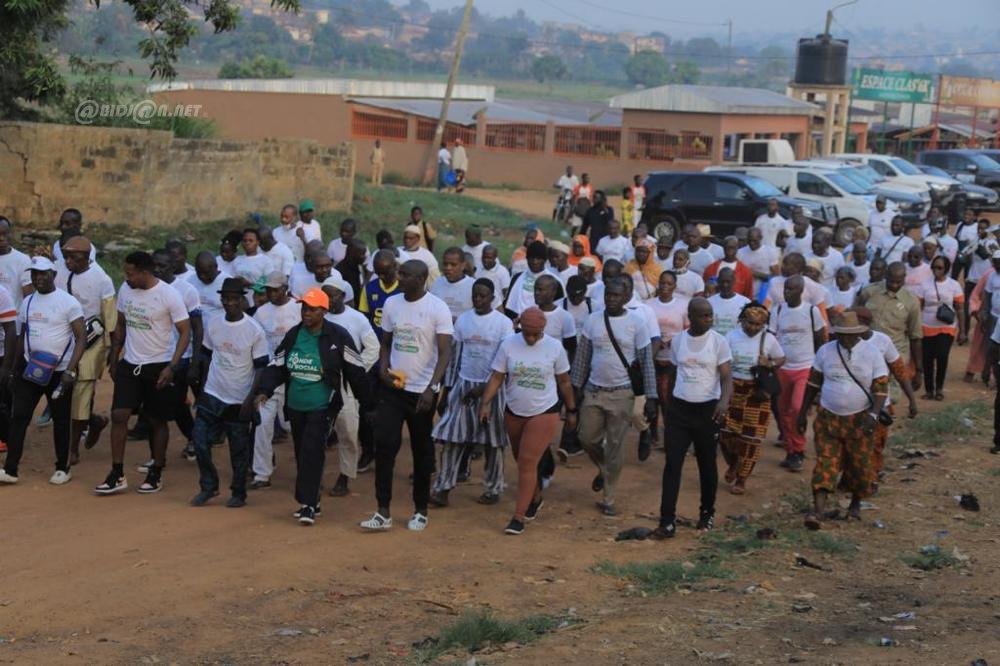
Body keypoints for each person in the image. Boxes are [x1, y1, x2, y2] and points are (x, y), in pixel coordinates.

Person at [254, 288, 374, 525]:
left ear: (324, 311)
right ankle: (313, 501)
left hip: (323, 405)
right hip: (296, 404)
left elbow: (355, 369)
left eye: (312, 309)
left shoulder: (338, 336)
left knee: (312, 450)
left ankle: (307, 505)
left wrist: (368, 404)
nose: (306, 313)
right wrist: (265, 390)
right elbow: (277, 364)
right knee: (301, 451)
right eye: (304, 308)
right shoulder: (293, 335)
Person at [360, 260, 453, 532]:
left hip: (422, 393)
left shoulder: (437, 308)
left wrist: (431, 388)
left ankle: (420, 509)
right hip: (394, 389)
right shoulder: (392, 304)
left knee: (421, 450)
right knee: (385, 445)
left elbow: (445, 353)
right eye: (400, 273)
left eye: (405, 274)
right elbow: (385, 343)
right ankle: (383, 511)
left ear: (422, 278)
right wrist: (382, 369)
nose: (399, 277)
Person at [94, 251, 191, 495]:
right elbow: (122, 323)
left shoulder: (169, 295)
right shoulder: (126, 290)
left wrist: (172, 366)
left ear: (145, 272)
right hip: (130, 363)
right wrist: (115, 356)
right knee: (119, 415)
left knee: (156, 420)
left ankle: (156, 471)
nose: (126, 278)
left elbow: (185, 331)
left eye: (130, 273)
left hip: (159, 365)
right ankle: (117, 473)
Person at [477, 307, 576, 535]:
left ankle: (518, 517)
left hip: (545, 410)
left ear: (543, 330)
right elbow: (498, 376)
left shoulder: (554, 347)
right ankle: (535, 498)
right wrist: (485, 403)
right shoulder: (509, 344)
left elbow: (564, 382)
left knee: (527, 461)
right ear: (520, 327)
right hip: (514, 410)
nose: (531, 339)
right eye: (527, 333)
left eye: (536, 334)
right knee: (520, 460)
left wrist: (571, 409)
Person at [571, 278, 658, 516]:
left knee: (616, 446)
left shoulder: (637, 323)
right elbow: (582, 357)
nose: (611, 299)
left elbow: (646, 361)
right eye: (608, 295)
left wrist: (651, 396)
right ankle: (603, 467)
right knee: (586, 437)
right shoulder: (592, 320)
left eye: (616, 295)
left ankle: (609, 498)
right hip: (594, 390)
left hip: (622, 392)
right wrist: (575, 387)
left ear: (626, 297)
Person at [796, 311, 888, 529]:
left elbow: (881, 388)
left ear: (858, 334)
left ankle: (855, 505)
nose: (845, 339)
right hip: (828, 417)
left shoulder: (872, 353)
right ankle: (817, 512)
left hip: (860, 419)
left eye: (849, 335)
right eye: (841, 334)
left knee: (859, 464)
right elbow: (813, 383)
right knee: (825, 462)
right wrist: (802, 412)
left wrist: (874, 414)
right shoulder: (825, 351)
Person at [650, 297, 733, 538]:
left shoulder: (719, 342)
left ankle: (707, 514)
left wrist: (723, 402)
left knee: (706, 465)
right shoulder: (679, 341)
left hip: (707, 411)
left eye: (710, 315)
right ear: (691, 317)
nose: (709, 319)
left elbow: (726, 377)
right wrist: (670, 406)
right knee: (672, 465)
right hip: (680, 412)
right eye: (704, 315)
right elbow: (675, 373)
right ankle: (666, 521)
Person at [0, 257, 86, 486]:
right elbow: (22, 335)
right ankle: (10, 469)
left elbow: (81, 338)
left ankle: (62, 467)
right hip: (30, 368)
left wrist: (70, 370)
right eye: (35, 274)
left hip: (59, 371)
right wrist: (14, 368)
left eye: (43, 273)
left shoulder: (68, 303)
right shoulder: (27, 302)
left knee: (60, 419)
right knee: (19, 417)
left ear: (53, 275)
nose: (38, 277)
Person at [430, 279, 513, 507]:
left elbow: (504, 362)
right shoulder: (464, 321)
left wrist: (484, 388)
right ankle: (443, 486)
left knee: (493, 442)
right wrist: (447, 390)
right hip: (464, 386)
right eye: (475, 295)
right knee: (451, 437)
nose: (478, 299)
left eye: (483, 296)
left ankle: (493, 488)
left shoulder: (503, 324)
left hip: (492, 389)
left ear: (492, 297)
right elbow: (455, 358)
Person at [188, 278, 269, 508]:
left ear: (242, 300)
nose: (229, 303)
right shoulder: (213, 323)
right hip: (213, 393)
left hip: (238, 398)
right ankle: (208, 486)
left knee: (238, 450)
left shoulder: (254, 330)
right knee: (200, 440)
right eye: (226, 299)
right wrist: (202, 389)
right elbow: (205, 356)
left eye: (234, 299)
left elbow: (261, 367)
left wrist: (250, 399)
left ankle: (238, 492)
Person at [56, 236, 116, 466]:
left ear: (87, 256)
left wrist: (111, 352)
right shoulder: (60, 271)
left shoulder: (102, 280)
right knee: (64, 391)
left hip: (93, 343)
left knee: (81, 392)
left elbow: (110, 321)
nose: (69, 261)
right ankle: (95, 421)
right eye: (66, 256)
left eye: (74, 257)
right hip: (66, 339)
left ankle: (72, 450)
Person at [322, 277, 380, 497]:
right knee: (317, 432)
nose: (329, 299)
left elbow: (372, 348)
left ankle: (345, 476)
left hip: (347, 384)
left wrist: (355, 369)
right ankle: (314, 476)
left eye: (333, 295)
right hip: (322, 382)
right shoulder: (318, 316)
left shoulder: (357, 318)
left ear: (343, 296)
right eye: (325, 294)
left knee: (347, 431)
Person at [720, 302, 785, 494]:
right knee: (725, 435)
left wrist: (770, 362)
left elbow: (782, 358)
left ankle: (742, 478)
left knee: (752, 439)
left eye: (758, 324)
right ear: (742, 321)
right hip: (732, 390)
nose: (754, 328)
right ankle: (733, 463)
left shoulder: (769, 340)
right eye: (750, 323)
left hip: (757, 394)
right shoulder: (731, 337)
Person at [249, 272, 301, 489]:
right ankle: (262, 473)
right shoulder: (260, 313)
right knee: (262, 424)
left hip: (295, 375)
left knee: (295, 427)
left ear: (285, 288)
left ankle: (305, 471)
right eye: (267, 290)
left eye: (274, 289)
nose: (270, 293)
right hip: (270, 376)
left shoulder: (299, 308)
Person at [772, 275, 827, 472]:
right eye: (785, 289)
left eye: (791, 289)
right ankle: (791, 449)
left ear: (801, 291)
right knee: (783, 410)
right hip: (783, 369)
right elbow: (771, 338)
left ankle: (799, 448)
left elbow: (821, 338)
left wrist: (820, 368)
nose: (787, 293)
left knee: (797, 408)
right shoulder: (778, 310)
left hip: (805, 367)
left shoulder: (811, 311)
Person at [856, 262, 922, 390]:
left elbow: (916, 337)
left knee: (890, 395)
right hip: (868, 352)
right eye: (891, 281)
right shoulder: (869, 292)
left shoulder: (911, 302)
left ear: (904, 279)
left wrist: (918, 371)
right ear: (885, 275)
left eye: (898, 282)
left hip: (895, 354)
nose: (894, 285)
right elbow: (855, 317)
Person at [359, 249, 402, 341]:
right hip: (375, 343)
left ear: (395, 266)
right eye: (378, 273)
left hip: (398, 344)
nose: (381, 277)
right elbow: (363, 318)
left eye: (385, 273)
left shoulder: (404, 288)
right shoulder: (369, 288)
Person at [535, 274, 577, 358]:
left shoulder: (565, 317)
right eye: (535, 289)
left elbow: (571, 348)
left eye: (541, 290)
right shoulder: (529, 314)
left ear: (553, 292)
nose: (536, 293)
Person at [504, 241, 549, 317]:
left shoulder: (553, 281)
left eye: (538, 258)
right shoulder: (517, 278)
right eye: (531, 258)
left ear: (544, 260)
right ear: (527, 259)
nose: (535, 262)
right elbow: (508, 305)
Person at [430, 247, 475, 321]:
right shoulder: (437, 282)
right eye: (445, 264)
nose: (448, 268)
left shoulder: (473, 285)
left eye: (453, 264)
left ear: (463, 265)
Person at [737, 228, 780, 298]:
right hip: (745, 294)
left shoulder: (770, 252)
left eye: (754, 241)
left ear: (761, 238)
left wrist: (756, 274)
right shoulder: (740, 253)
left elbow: (776, 277)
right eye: (749, 240)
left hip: (764, 295)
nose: (752, 243)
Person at [0, 218, 33, 309]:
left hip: (13, 320)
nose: (1, 238)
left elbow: (28, 296)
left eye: (5, 233)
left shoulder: (22, 260)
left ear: (11, 233)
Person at [708, 267, 751, 336]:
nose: (725, 285)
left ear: (734, 281)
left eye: (728, 282)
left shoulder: (745, 303)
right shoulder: (709, 302)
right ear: (718, 281)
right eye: (722, 281)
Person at [188, 251, 227, 323]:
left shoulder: (227, 282)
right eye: (199, 272)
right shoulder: (190, 281)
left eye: (206, 272)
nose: (202, 276)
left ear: (216, 267)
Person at [336, 239, 370, 307]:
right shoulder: (340, 272)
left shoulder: (360, 266)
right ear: (352, 254)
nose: (365, 256)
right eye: (362, 254)